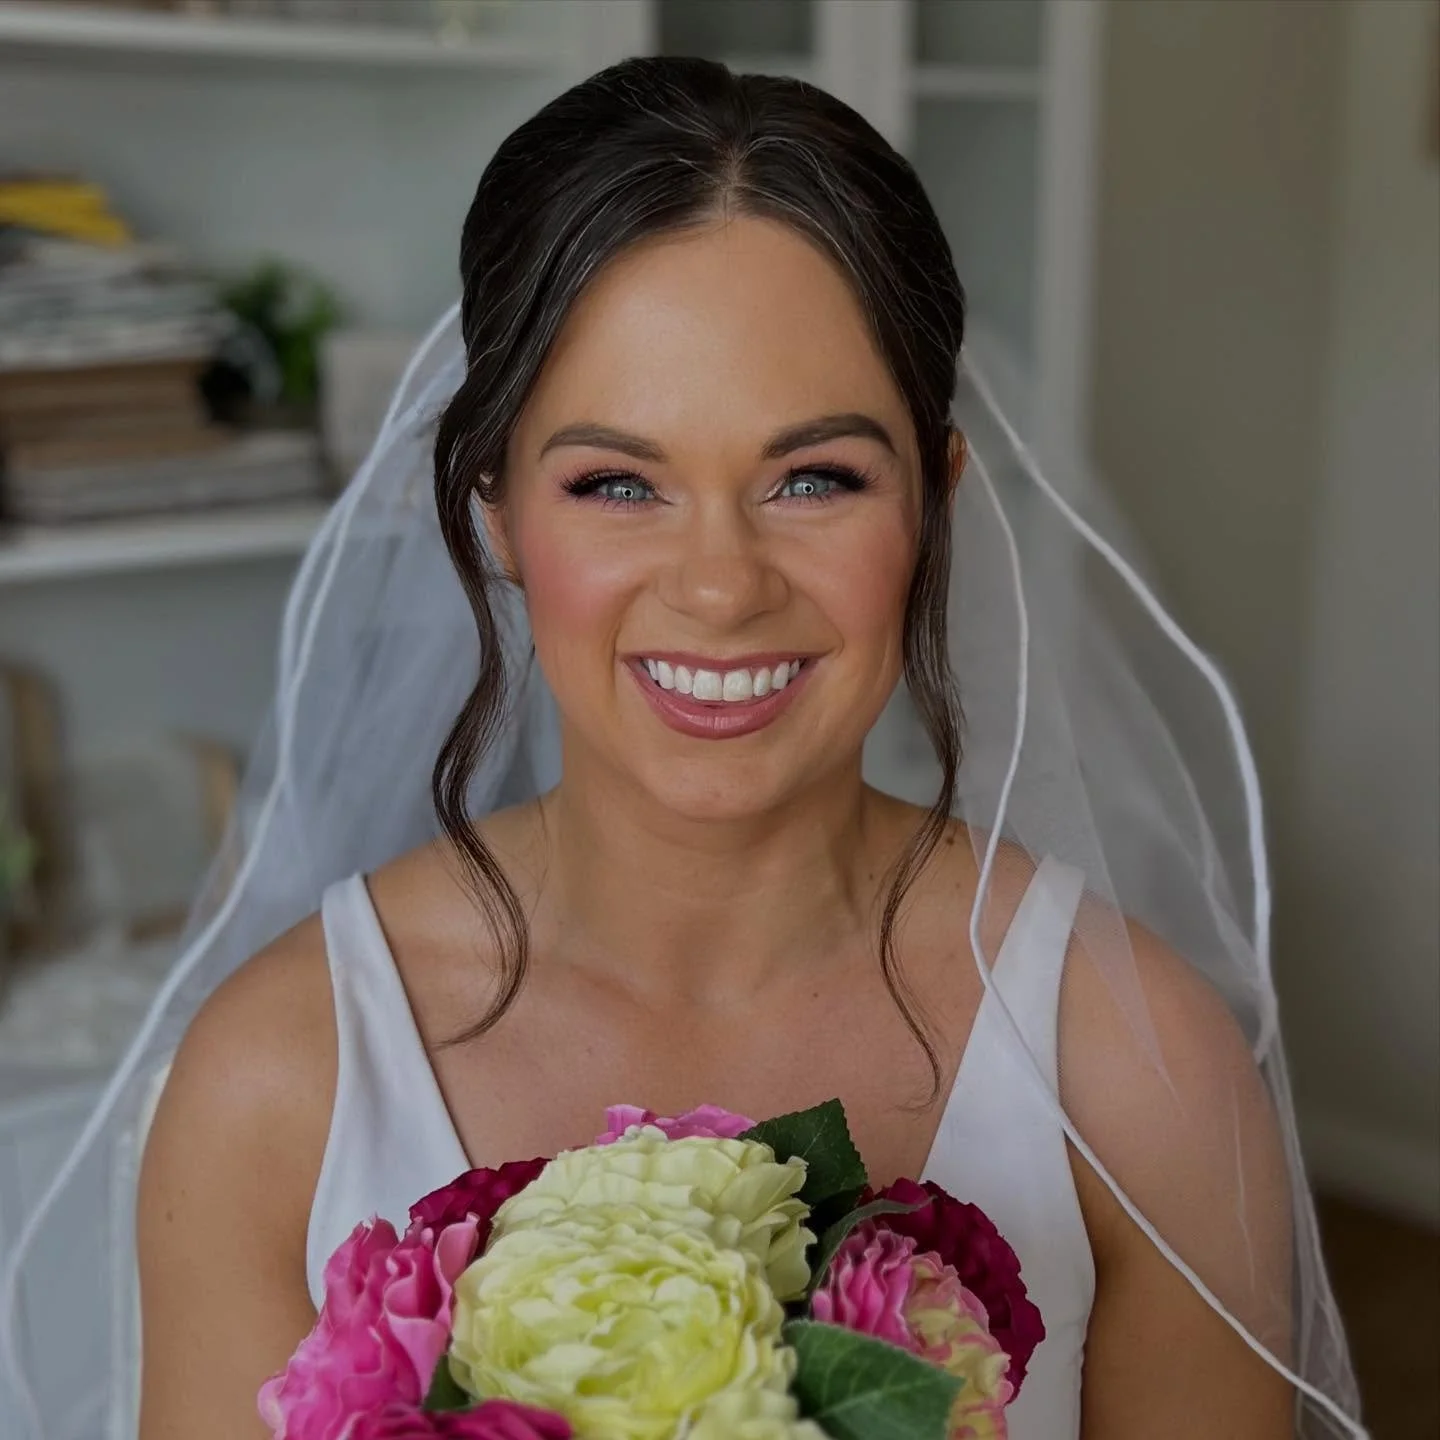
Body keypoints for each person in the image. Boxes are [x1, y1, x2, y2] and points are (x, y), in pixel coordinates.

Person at [5, 57, 1364, 1440]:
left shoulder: (1139, 1072)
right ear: (494, 513)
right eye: (617, 483)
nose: (721, 587)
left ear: (936, 503)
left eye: (814, 478)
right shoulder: (276, 1081)